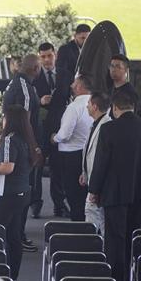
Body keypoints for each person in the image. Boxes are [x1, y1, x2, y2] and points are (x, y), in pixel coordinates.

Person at [88, 89, 141, 281]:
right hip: (140, 192)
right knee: (135, 236)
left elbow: (101, 163)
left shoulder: (109, 129)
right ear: (134, 106)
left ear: (114, 107)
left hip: (114, 193)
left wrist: (94, 190)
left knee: (114, 240)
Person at [0, 104, 35, 281]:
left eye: (4, 118)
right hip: (22, 193)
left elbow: (7, 167)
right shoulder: (27, 139)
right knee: (14, 236)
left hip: (5, 195)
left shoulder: (9, 140)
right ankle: (12, 277)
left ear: (10, 121)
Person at [2, 54, 43, 252]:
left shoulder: (15, 82)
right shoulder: (25, 88)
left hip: (15, 145)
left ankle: (14, 234)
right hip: (22, 148)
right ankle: (17, 235)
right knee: (23, 192)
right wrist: (34, 148)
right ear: (35, 68)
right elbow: (24, 120)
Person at [32, 42, 72, 218]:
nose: (47, 60)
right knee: (37, 169)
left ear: (55, 54)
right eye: (43, 57)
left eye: (49, 55)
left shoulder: (65, 74)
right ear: (39, 57)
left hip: (59, 129)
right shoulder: (34, 76)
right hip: (39, 130)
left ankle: (59, 204)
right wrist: (39, 102)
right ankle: (35, 204)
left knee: (58, 169)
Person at [51, 75, 94, 222]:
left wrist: (54, 138)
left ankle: (78, 228)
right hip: (90, 154)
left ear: (80, 87)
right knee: (86, 194)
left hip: (71, 157)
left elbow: (65, 134)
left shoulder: (74, 107)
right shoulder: (98, 104)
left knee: (74, 195)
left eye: (75, 83)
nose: (71, 86)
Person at [80, 92, 111, 234]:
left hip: (99, 186)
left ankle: (95, 252)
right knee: (99, 219)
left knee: (94, 219)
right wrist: (84, 172)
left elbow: (101, 159)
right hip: (93, 181)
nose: (87, 106)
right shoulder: (96, 124)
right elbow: (89, 152)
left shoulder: (106, 126)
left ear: (95, 106)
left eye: (89, 104)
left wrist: (95, 189)